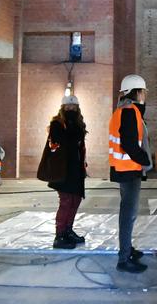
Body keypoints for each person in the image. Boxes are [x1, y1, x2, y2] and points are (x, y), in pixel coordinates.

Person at [109, 73, 153, 273]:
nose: (145, 95)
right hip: (128, 170)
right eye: (143, 91)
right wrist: (145, 160)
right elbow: (128, 144)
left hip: (124, 169)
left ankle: (127, 249)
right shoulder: (129, 111)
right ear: (136, 92)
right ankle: (124, 258)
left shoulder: (123, 110)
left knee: (128, 213)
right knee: (128, 214)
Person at [48, 94, 88, 249]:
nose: (71, 108)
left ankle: (68, 231)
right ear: (63, 107)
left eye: (73, 106)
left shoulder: (78, 123)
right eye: (68, 106)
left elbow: (78, 144)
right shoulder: (57, 124)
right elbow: (64, 142)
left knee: (75, 201)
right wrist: (72, 129)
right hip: (63, 170)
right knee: (66, 202)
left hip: (76, 170)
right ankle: (59, 235)